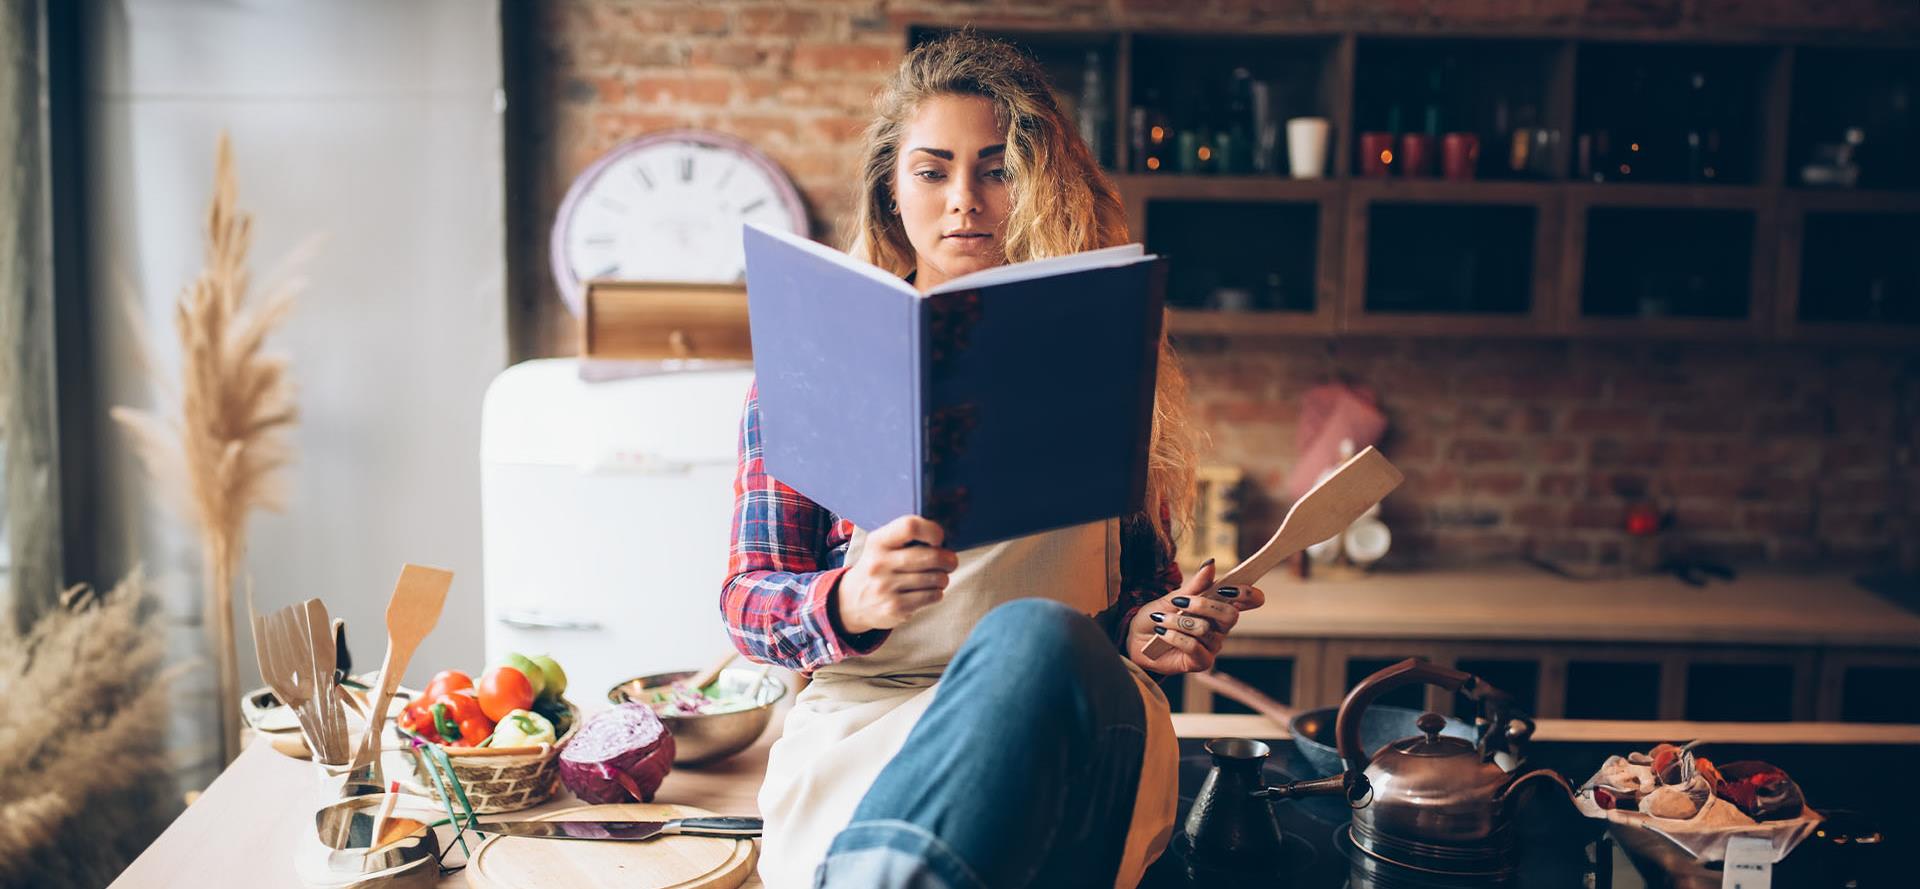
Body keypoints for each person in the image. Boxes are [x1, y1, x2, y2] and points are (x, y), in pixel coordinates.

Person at [720, 32, 1267, 889]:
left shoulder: (1108, 354)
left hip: (1076, 714)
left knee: (1035, 632)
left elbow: (1133, 599)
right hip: (876, 725)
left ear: (1039, 182)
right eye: (933, 171)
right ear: (892, 190)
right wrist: (848, 599)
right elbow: (748, 600)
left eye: (998, 168)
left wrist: (1161, 627)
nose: (964, 200)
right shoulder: (811, 371)